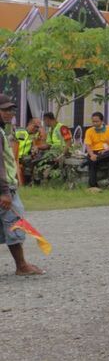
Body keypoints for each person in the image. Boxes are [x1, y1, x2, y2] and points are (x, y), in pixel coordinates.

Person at [0, 94, 44, 275]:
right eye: (5, 109)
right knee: (15, 223)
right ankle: (21, 266)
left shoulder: (3, 131)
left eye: (11, 109)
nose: (9, 113)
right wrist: (4, 192)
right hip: (4, 188)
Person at [83, 112, 109, 191]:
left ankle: (88, 162)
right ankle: (93, 186)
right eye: (93, 122)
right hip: (94, 152)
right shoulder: (89, 131)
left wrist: (105, 150)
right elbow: (88, 146)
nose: (95, 123)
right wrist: (92, 155)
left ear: (102, 121)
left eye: (97, 121)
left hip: (105, 152)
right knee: (92, 162)